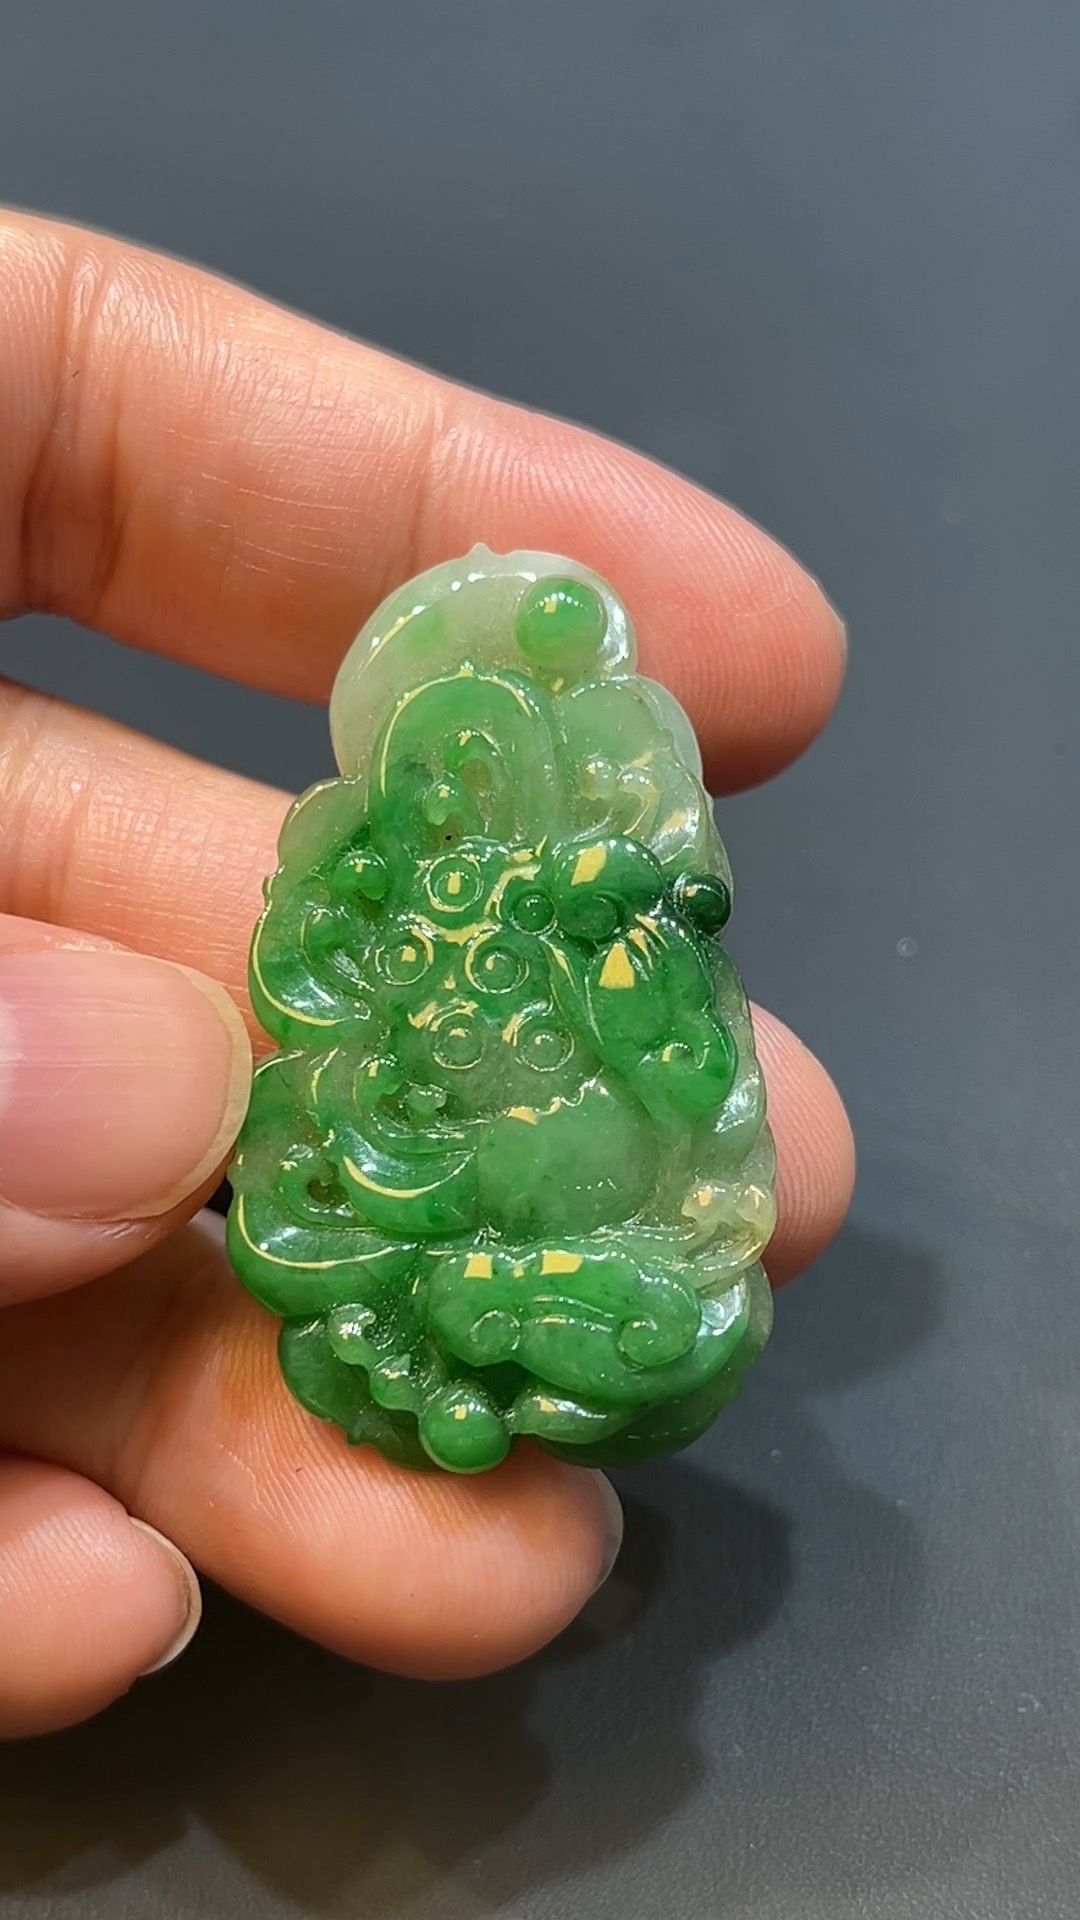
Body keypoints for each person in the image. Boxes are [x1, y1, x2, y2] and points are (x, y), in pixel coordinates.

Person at [0, 211, 855, 1739]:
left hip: (580, 1161)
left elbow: (672, 1049)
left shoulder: (611, 911)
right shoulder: (404, 944)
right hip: (443, 1179)